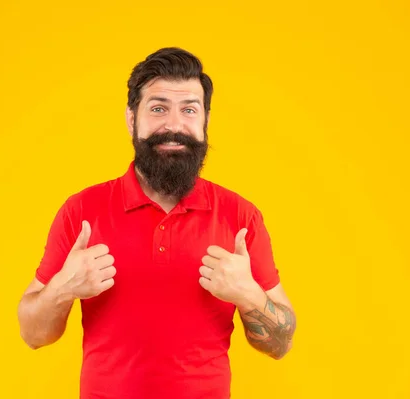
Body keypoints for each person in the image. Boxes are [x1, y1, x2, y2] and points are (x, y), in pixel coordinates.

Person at [17, 47, 296, 399]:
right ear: (132, 118)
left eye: (189, 110)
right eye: (158, 108)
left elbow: (280, 344)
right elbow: (33, 335)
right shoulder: (81, 211)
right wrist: (63, 288)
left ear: (205, 119)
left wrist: (248, 295)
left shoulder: (241, 217)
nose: (174, 126)